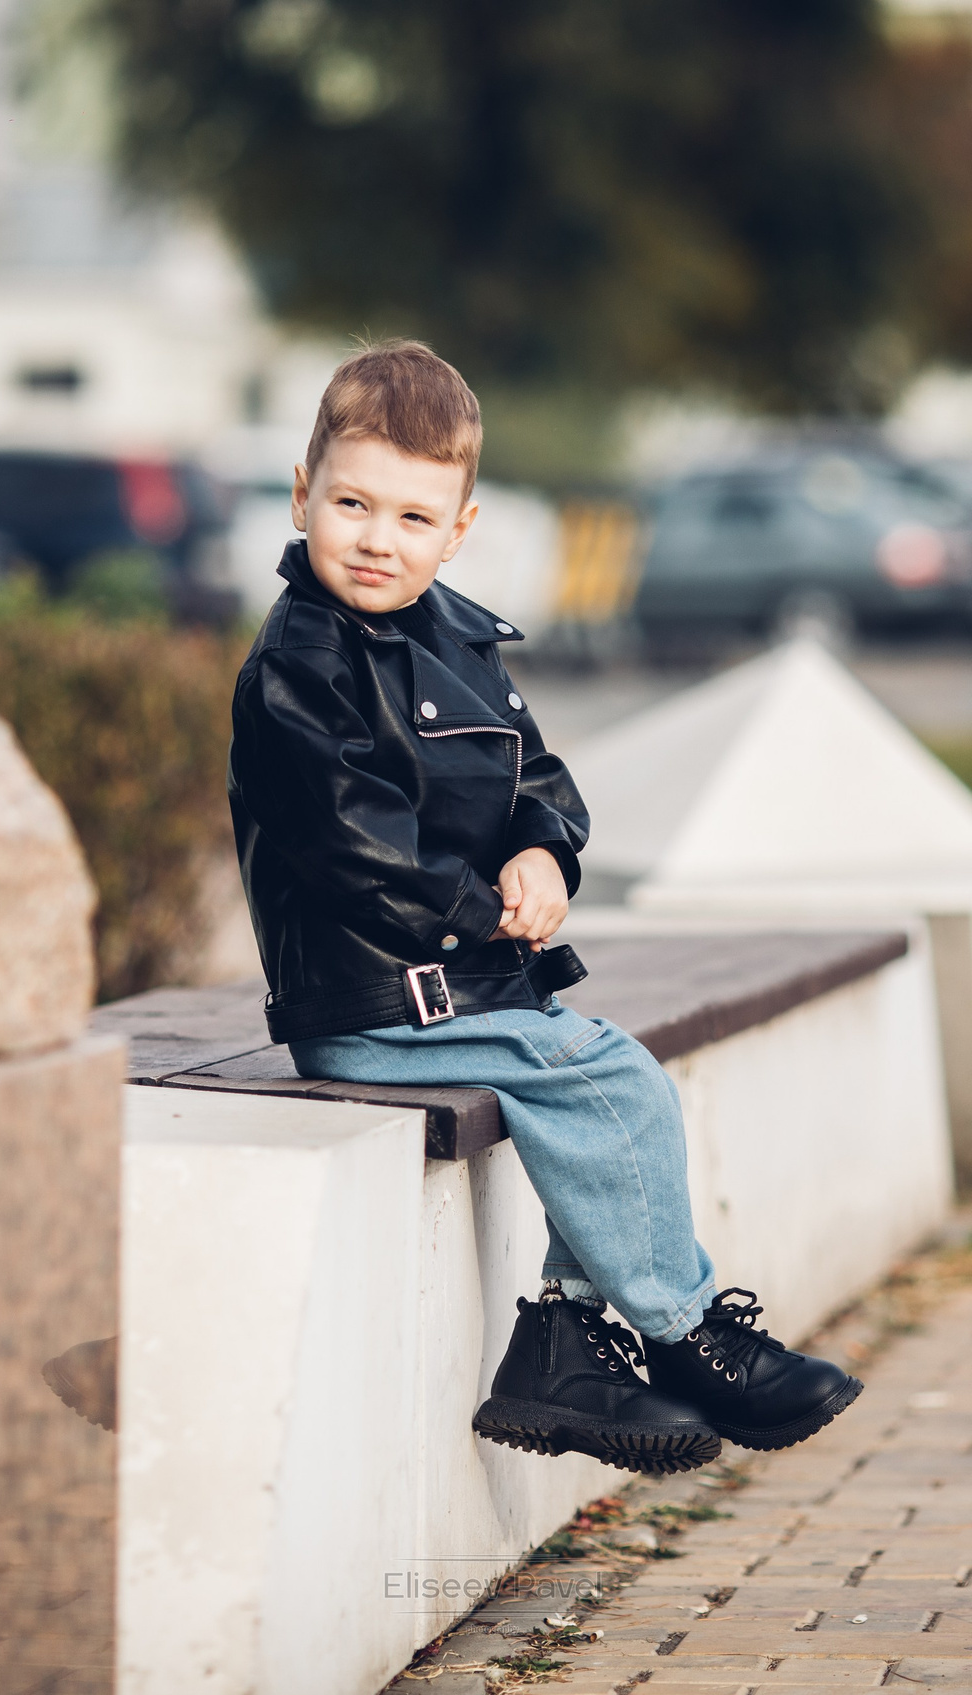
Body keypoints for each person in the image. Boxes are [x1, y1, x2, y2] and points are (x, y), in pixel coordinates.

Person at [226, 340, 861, 1473]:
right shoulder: (298, 663)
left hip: (462, 986)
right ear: (302, 496)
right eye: (353, 504)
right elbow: (348, 844)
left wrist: (541, 853)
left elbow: (538, 778)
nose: (379, 539)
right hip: (376, 1000)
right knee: (608, 1080)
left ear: (459, 529)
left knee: (604, 1086)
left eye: (415, 519)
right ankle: (685, 1335)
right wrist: (480, 907)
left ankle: (565, 1344)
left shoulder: (455, 637)